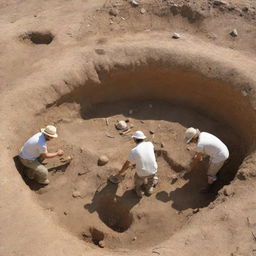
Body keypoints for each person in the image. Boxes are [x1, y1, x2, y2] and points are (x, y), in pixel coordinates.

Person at [184, 127, 229, 192]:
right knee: (211, 164)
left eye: (191, 140)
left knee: (210, 173)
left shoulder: (200, 144)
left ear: (194, 138)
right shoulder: (203, 134)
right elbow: (199, 153)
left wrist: (191, 167)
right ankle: (216, 172)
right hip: (221, 150)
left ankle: (209, 188)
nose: (191, 142)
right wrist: (196, 156)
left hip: (220, 156)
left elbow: (198, 158)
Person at [116, 130, 158, 198]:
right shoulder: (150, 144)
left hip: (142, 173)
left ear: (134, 139)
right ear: (143, 138)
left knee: (138, 180)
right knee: (151, 179)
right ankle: (149, 189)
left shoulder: (134, 151)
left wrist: (120, 172)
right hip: (153, 170)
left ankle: (138, 190)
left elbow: (126, 164)